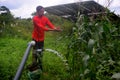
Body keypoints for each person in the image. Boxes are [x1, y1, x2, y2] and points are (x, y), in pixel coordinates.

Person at [28, 6, 61, 71]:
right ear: (37, 11)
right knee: (35, 53)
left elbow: (50, 24)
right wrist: (53, 30)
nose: (43, 13)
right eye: (41, 11)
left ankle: (40, 66)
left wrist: (55, 28)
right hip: (35, 39)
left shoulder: (45, 18)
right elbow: (42, 28)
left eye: (43, 11)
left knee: (40, 53)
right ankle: (34, 66)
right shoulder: (35, 18)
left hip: (41, 39)